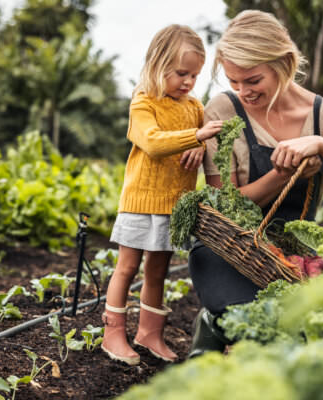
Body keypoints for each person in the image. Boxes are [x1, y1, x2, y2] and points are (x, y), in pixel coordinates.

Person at [188, 9, 323, 357]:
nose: (243, 91)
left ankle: (217, 327)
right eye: (234, 81)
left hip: (291, 255)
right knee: (256, 322)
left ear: (283, 63)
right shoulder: (223, 110)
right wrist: (280, 175)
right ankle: (214, 323)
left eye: (253, 80)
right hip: (229, 247)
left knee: (312, 331)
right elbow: (224, 208)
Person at [102, 24, 224, 366]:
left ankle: (149, 334)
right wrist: (196, 137)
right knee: (127, 267)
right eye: (181, 73)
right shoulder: (144, 103)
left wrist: (200, 146)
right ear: (158, 65)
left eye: (194, 75)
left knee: (159, 272)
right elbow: (154, 143)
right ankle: (113, 334)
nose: (187, 82)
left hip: (175, 206)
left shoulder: (194, 106)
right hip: (141, 202)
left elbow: (203, 142)